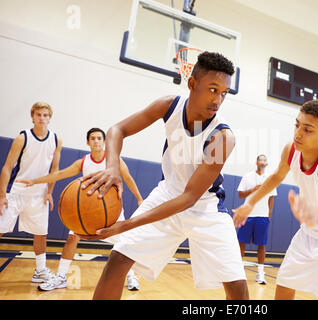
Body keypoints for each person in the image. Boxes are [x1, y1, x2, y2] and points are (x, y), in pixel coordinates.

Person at [78, 52, 249, 300]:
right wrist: (112, 166)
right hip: (167, 193)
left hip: (205, 208)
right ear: (192, 84)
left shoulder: (223, 137)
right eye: (213, 89)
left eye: (224, 93)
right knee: (117, 261)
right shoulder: (169, 106)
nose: (218, 99)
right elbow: (117, 130)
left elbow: (190, 197)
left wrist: (126, 225)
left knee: (238, 290)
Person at [233, 99, 318, 300]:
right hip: (311, 232)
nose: (298, 133)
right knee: (285, 282)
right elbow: (277, 176)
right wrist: (250, 202)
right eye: (297, 125)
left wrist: (315, 213)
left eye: (307, 130)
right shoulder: (291, 150)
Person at [17, 127, 144, 291]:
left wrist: (139, 198)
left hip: (111, 211)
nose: (96, 141)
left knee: (122, 243)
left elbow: (128, 178)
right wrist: (35, 181)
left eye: (99, 138)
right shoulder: (83, 162)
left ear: (104, 142)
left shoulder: (114, 160)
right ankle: (61, 277)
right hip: (87, 211)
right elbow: (60, 174)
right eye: (93, 138)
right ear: (87, 142)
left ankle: (131, 275)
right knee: (72, 239)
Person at [0, 102, 62, 283]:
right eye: (38, 115)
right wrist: (2, 195)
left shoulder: (56, 139)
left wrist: (49, 192)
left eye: (45, 115)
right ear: (32, 117)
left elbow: (55, 169)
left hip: (39, 193)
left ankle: (40, 271)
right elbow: (7, 167)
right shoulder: (22, 137)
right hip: (16, 191)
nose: (42, 118)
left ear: (50, 118)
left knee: (40, 233)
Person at [237, 154, 277, 284]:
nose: (262, 161)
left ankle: (260, 274)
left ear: (267, 163)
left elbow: (272, 198)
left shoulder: (270, 179)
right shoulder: (247, 176)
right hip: (247, 215)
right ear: (256, 162)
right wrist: (253, 189)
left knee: (261, 245)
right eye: (260, 159)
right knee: (241, 243)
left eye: (265, 159)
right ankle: (238, 272)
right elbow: (240, 195)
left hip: (262, 216)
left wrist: (269, 214)